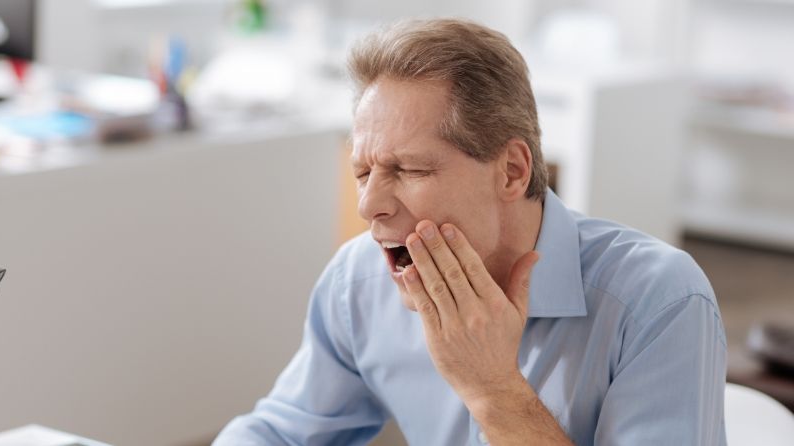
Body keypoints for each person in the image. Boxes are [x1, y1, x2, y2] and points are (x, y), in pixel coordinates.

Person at [213, 18, 726, 445]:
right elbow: (281, 432)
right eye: (364, 173)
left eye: (410, 171)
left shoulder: (659, 301)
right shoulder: (358, 283)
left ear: (511, 171)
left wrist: (494, 390)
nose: (369, 207)